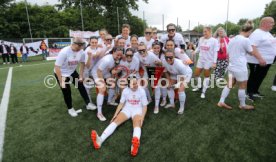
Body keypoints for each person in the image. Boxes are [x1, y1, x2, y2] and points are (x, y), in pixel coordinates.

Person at [91, 77, 148, 157]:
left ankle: (134, 145)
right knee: (115, 121)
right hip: (127, 109)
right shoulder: (125, 91)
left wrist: (142, 118)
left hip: (137, 109)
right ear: (128, 85)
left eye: (136, 83)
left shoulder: (141, 90)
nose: (135, 85)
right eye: (133, 84)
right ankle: (100, 140)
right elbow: (121, 104)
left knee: (137, 124)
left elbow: (145, 106)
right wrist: (115, 115)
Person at [217, 21, 265, 110]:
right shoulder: (245, 40)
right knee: (243, 85)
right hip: (240, 66)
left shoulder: (232, 39)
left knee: (229, 84)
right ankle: (242, 105)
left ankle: (221, 101)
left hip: (231, 66)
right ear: (249, 31)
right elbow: (251, 53)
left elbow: (228, 54)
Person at [54, 37, 95, 117]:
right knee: (67, 91)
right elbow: (57, 67)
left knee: (81, 86)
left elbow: (82, 63)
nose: (80, 49)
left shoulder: (81, 51)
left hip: (72, 72)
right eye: (79, 47)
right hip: (61, 74)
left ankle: (88, 104)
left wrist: (80, 75)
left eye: (82, 47)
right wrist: (61, 81)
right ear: (74, 44)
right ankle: (70, 109)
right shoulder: (64, 52)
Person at [246, 17, 276, 101]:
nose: (273, 24)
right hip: (257, 61)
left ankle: (255, 91)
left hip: (267, 61)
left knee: (260, 76)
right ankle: (249, 93)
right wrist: (260, 58)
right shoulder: (257, 33)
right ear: (264, 23)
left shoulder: (268, 33)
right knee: (254, 76)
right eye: (271, 22)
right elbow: (252, 46)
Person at [91, 47, 123, 121]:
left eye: (120, 55)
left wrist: (113, 75)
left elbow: (110, 70)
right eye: (117, 55)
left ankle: (109, 101)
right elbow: (99, 71)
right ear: (113, 52)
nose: (119, 57)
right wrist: (102, 82)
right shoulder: (107, 60)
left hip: (105, 72)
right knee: (102, 89)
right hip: (97, 72)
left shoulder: (116, 60)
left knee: (113, 84)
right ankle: (99, 113)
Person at [192, 26, 220, 99]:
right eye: (203, 31)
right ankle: (199, 86)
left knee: (206, 76)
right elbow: (198, 48)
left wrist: (214, 62)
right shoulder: (201, 39)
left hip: (209, 61)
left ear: (210, 32)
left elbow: (215, 52)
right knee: (196, 74)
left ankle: (203, 92)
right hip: (201, 59)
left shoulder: (214, 41)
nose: (204, 33)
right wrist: (194, 52)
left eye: (205, 31)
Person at [162, 50, 192, 114]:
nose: (168, 59)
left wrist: (178, 84)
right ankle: (172, 104)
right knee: (169, 87)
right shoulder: (164, 62)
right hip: (175, 73)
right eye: (166, 57)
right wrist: (169, 81)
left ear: (174, 57)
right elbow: (165, 72)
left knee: (180, 90)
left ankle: (181, 108)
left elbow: (183, 76)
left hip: (186, 74)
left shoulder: (179, 64)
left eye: (170, 57)